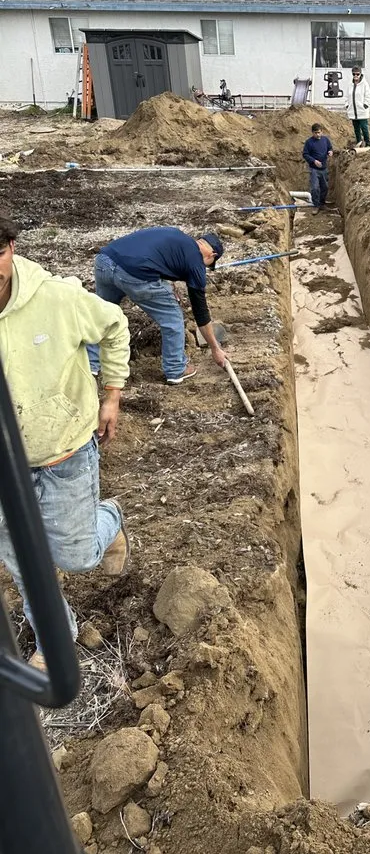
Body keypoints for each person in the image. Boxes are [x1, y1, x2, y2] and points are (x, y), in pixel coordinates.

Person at [0, 215, 131, 670]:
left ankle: (109, 519)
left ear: (11, 247)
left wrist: (111, 395)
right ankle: (57, 637)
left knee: (73, 557)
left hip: (63, 456)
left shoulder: (56, 299)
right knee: (23, 563)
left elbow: (114, 325)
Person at [88, 227, 227, 385]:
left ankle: (90, 365)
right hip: (134, 273)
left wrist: (169, 284)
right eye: (209, 265)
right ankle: (176, 369)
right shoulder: (197, 262)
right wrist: (215, 348)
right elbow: (200, 311)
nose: (205, 267)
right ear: (212, 255)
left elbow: (154, 256)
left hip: (104, 261)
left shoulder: (177, 237)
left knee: (101, 315)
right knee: (173, 318)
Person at [302, 123, 334, 214]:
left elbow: (330, 148)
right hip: (314, 169)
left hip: (324, 168)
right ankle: (316, 205)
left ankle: (322, 204)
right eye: (316, 133)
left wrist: (330, 152)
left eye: (319, 132)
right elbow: (305, 154)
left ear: (322, 132)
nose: (318, 134)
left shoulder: (325, 140)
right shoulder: (309, 142)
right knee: (315, 188)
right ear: (312, 133)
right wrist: (314, 161)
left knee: (325, 187)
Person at [346, 66, 370, 148]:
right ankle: (359, 142)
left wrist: (366, 105)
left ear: (360, 74)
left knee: (364, 128)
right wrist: (347, 105)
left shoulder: (365, 84)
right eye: (354, 74)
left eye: (357, 74)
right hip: (353, 111)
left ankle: (368, 143)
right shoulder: (350, 84)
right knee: (356, 128)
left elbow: (368, 96)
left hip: (362, 110)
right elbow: (347, 96)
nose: (355, 76)